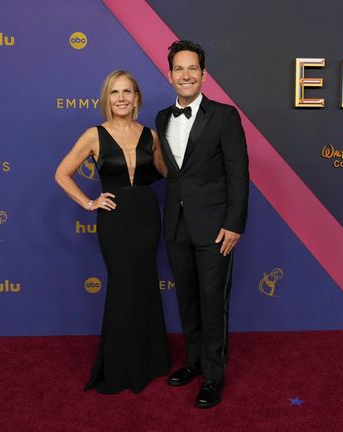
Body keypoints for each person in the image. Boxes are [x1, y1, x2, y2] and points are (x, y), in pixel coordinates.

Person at [54, 70, 170, 394]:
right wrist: (88, 202)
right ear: (107, 98)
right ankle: (121, 365)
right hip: (115, 220)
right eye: (115, 92)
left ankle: (151, 360)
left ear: (137, 98)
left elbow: (169, 172)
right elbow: (62, 173)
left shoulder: (151, 136)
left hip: (147, 218)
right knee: (123, 286)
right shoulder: (94, 135)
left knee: (145, 284)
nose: (121, 98)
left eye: (127, 92)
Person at [155, 40, 249, 408]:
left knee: (213, 302)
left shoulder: (225, 116)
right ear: (170, 75)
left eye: (192, 68)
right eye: (179, 69)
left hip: (215, 228)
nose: (186, 75)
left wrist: (234, 224)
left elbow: (238, 174)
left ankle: (214, 375)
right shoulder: (162, 118)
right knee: (188, 300)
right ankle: (193, 362)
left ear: (204, 74)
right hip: (176, 224)